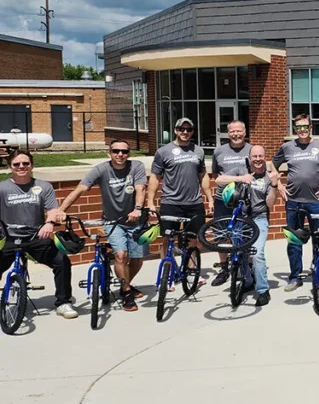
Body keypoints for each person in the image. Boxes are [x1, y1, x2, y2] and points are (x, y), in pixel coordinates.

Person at [58, 139, 147, 311]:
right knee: (121, 255)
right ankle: (127, 293)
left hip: (136, 220)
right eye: (116, 151)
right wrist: (61, 210)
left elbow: (140, 188)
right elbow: (80, 189)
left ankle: (124, 284)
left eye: (124, 151)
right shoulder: (101, 169)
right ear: (109, 153)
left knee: (137, 258)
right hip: (113, 222)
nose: (120, 154)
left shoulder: (136, 166)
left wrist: (137, 209)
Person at [0, 151, 77, 318]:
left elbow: (52, 210)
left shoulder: (43, 186)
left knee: (61, 261)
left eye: (26, 163)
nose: (22, 167)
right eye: (17, 164)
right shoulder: (2, 188)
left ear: (32, 166)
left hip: (36, 236)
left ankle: (63, 303)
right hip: (9, 237)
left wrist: (49, 223)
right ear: (9, 167)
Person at [272, 113, 319, 292]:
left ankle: (318, 274)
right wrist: (279, 185)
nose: (302, 130)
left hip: (317, 202)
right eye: (299, 127)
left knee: (318, 239)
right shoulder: (287, 147)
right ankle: (295, 277)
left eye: (306, 127)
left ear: (311, 128)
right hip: (294, 202)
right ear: (295, 129)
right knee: (294, 241)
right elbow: (272, 165)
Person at [147, 117, 213, 272]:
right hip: (171, 203)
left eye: (188, 129)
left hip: (194, 203)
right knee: (167, 239)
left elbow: (203, 175)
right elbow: (155, 177)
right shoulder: (163, 152)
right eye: (181, 129)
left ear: (192, 132)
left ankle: (191, 270)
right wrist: (150, 201)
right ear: (175, 130)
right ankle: (168, 272)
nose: (185, 132)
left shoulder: (198, 151)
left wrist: (209, 198)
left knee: (193, 239)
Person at [210, 120, 252, 287]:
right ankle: (224, 268)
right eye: (232, 131)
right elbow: (216, 177)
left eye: (239, 131)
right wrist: (238, 179)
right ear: (228, 133)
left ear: (244, 132)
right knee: (221, 235)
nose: (236, 134)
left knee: (246, 234)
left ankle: (246, 266)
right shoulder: (219, 151)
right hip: (223, 200)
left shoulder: (252, 150)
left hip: (246, 200)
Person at [246, 145, 278, 306]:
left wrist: (273, 185)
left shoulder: (269, 176)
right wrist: (240, 179)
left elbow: (270, 203)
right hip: (241, 218)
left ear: (265, 157)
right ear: (249, 157)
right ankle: (247, 281)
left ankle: (263, 290)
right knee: (239, 253)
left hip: (259, 218)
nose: (257, 159)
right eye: (254, 156)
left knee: (257, 254)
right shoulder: (241, 170)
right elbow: (218, 180)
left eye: (260, 156)